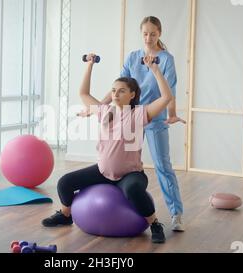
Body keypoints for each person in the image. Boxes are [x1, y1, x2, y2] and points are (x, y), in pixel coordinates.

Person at [41, 53, 174, 244]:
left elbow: (167, 97)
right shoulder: (104, 111)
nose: (115, 94)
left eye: (121, 91)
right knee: (64, 183)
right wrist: (89, 65)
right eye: (113, 91)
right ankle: (65, 214)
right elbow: (84, 94)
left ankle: (154, 224)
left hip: (130, 174)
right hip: (103, 172)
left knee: (134, 191)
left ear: (132, 95)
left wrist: (155, 69)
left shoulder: (139, 114)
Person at [79, 16, 186, 231]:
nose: (148, 37)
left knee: (163, 166)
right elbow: (119, 87)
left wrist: (171, 113)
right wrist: (96, 108)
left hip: (153, 117)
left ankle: (176, 215)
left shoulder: (166, 59)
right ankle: (116, 202)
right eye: (145, 33)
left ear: (159, 34)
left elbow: (169, 90)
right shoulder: (133, 57)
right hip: (128, 118)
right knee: (116, 161)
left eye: (153, 34)